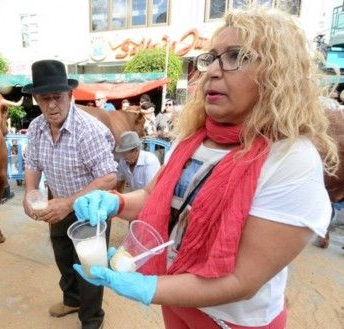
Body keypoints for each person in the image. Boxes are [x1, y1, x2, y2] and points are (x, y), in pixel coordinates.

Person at [71, 7, 338, 329]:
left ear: (277, 73)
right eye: (212, 57)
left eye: (235, 56)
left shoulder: (290, 158)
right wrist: (117, 202)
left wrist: (148, 287)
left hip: (233, 321)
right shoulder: (192, 140)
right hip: (178, 298)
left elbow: (242, 280)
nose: (212, 70)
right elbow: (156, 197)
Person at [22, 59, 117, 329]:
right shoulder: (37, 128)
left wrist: (68, 203)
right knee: (63, 255)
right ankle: (72, 299)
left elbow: (109, 177)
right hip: (59, 204)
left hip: (90, 208)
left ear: (70, 95)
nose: (51, 105)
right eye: (44, 98)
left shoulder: (88, 131)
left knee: (89, 267)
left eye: (57, 97)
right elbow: (33, 164)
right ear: (36, 99)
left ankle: (91, 319)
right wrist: (30, 191)